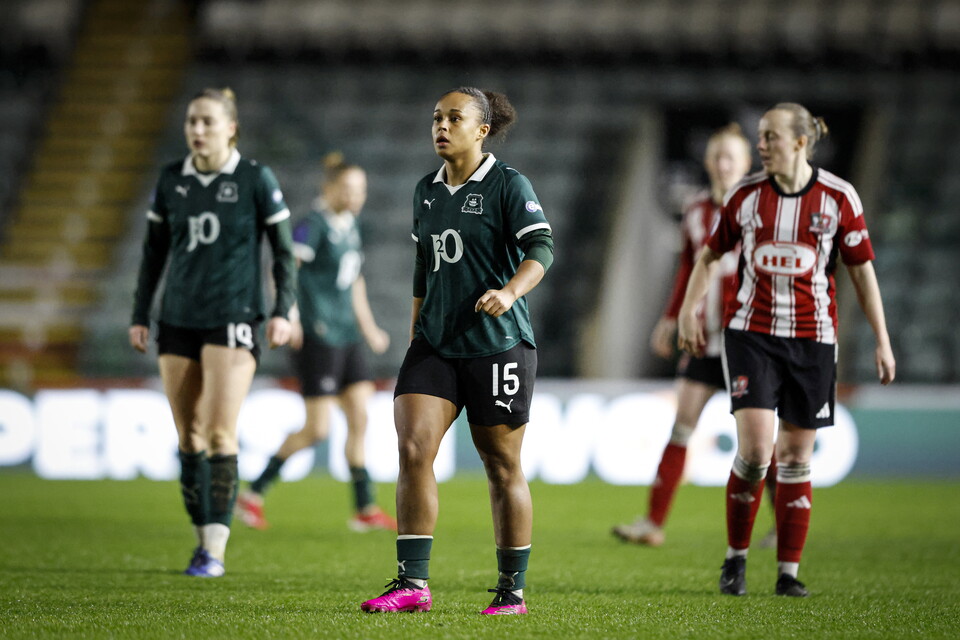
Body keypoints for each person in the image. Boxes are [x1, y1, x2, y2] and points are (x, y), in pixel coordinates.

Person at [677, 103, 896, 597]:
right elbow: (708, 255)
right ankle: (735, 560)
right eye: (760, 136)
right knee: (755, 453)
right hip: (751, 335)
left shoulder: (839, 197)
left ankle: (788, 572)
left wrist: (882, 339)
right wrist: (691, 308)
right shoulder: (746, 197)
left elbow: (861, 270)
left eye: (771, 137)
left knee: (796, 458)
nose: (762, 145)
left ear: (800, 142)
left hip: (813, 340)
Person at [359, 87, 554, 615]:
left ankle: (511, 589)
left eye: (454, 118)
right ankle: (412, 584)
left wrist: (510, 291)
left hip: (499, 345)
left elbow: (542, 248)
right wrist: (415, 326)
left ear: (482, 129)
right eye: (436, 118)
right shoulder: (425, 189)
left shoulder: (509, 185)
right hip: (435, 345)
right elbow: (425, 264)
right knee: (413, 450)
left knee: (500, 465)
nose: (441, 126)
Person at [129, 87, 296, 578]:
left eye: (206, 122)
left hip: (235, 316)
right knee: (188, 437)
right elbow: (153, 253)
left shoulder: (254, 178)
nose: (196, 131)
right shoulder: (171, 180)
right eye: (190, 123)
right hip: (177, 318)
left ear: (230, 128)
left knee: (221, 430)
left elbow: (284, 252)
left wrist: (281, 310)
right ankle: (202, 540)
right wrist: (141, 313)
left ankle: (216, 551)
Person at [613, 123, 775, 547]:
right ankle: (653, 523)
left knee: (759, 443)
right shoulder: (697, 210)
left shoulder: (763, 208)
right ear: (708, 163)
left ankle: (779, 527)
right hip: (704, 339)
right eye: (718, 158)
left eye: (732, 159)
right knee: (681, 428)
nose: (724, 165)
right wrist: (671, 317)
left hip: (749, 338)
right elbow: (688, 267)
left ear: (746, 165)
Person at [235, 154, 396, 532]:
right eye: (349, 189)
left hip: (348, 336)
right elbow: (285, 267)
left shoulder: (350, 226)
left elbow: (354, 280)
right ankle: (253, 494)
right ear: (329, 189)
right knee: (317, 429)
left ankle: (364, 508)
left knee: (360, 418)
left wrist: (369, 328)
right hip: (319, 336)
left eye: (361, 190)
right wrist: (288, 315)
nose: (356, 196)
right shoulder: (314, 225)